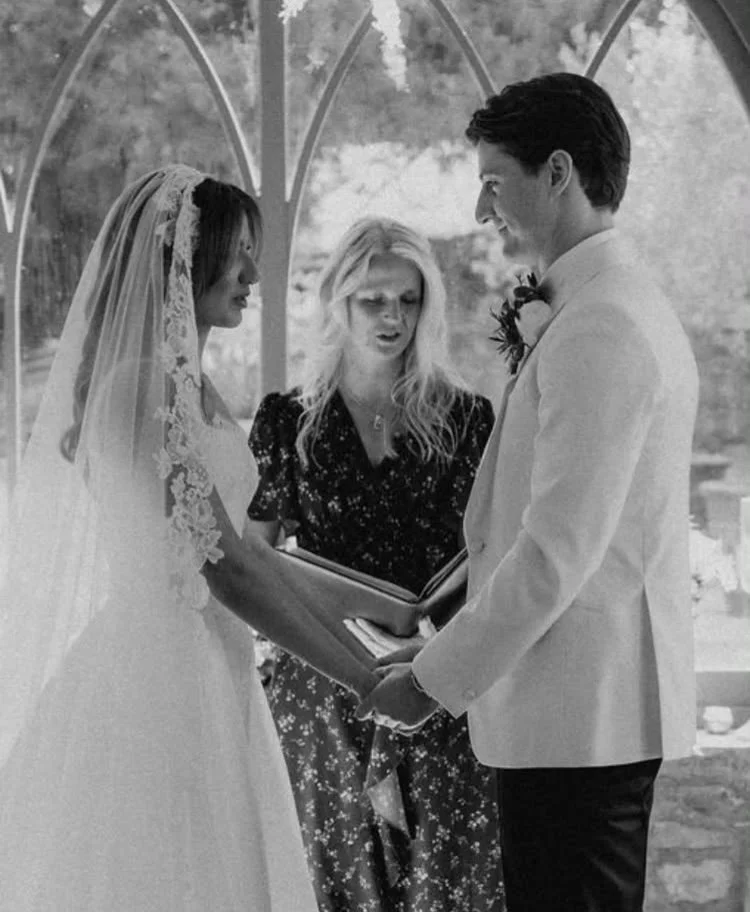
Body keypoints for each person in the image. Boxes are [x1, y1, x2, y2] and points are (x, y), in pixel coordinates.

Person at [358, 73, 700, 912]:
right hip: (571, 716)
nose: (481, 209)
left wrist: (434, 680)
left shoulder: (603, 325)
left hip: (583, 719)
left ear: (557, 173)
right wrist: (434, 638)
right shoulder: (596, 306)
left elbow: (555, 552)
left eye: (493, 181)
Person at [0, 165, 380, 911]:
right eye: (234, 253)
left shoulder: (194, 387)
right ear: (181, 260)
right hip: (158, 678)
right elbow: (228, 570)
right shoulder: (143, 386)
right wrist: (364, 681)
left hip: (211, 662)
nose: (250, 274)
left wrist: (383, 618)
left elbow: (253, 552)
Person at [246, 216, 504, 912]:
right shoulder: (285, 420)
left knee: (445, 879)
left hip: (437, 675)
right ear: (339, 300)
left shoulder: (467, 418)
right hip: (325, 683)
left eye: (409, 299)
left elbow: (492, 555)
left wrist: (433, 655)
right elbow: (250, 557)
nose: (393, 316)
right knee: (335, 879)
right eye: (373, 299)